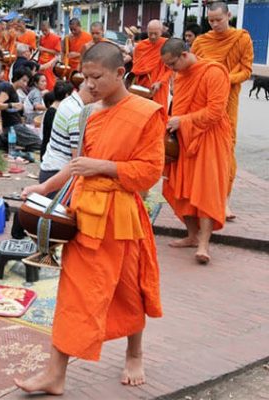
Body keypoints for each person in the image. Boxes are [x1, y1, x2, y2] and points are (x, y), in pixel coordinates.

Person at [14, 42, 164, 395]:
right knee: (75, 294)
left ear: (118, 73)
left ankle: (135, 352)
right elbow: (76, 165)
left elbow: (149, 173)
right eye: (85, 77)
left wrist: (104, 167)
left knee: (130, 289)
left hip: (122, 216)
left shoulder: (147, 112)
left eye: (96, 77)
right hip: (85, 215)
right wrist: (42, 187)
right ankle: (56, 374)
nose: (90, 84)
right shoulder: (89, 113)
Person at [161, 39, 232, 264]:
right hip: (184, 137)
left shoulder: (213, 72)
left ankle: (204, 244)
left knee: (206, 189)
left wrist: (183, 121)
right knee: (180, 187)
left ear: (184, 55)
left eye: (173, 64)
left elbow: (215, 112)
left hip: (210, 138)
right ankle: (192, 236)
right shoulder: (180, 75)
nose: (171, 70)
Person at [191, 1, 253, 221]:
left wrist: (224, 78)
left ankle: (224, 200)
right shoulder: (201, 41)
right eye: (211, 20)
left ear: (229, 15)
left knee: (226, 148)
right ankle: (200, 197)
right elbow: (192, 68)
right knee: (201, 147)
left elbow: (246, 71)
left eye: (219, 19)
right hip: (203, 101)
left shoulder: (241, 38)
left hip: (227, 100)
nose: (215, 24)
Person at [39, 82, 94, 183]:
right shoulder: (77, 114)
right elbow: (76, 158)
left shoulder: (68, 101)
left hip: (50, 167)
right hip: (58, 173)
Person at [0, 67, 42, 152]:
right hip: (13, 127)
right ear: (17, 78)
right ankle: (9, 141)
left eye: (27, 81)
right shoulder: (8, 88)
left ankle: (11, 142)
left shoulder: (14, 91)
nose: (25, 84)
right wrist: (12, 105)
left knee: (38, 141)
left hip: (16, 125)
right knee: (39, 144)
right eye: (23, 80)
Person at [131, 19, 172, 112]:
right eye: (150, 33)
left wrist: (160, 82)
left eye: (156, 33)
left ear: (161, 32)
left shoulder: (167, 45)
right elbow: (135, 68)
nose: (153, 36)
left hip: (159, 87)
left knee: (158, 113)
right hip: (142, 87)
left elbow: (170, 69)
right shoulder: (140, 47)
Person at [38, 21, 61, 91]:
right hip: (41, 62)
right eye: (42, 31)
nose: (44, 32)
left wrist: (44, 49)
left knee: (50, 81)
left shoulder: (56, 38)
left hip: (50, 63)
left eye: (46, 30)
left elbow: (57, 52)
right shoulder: (42, 38)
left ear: (49, 28)